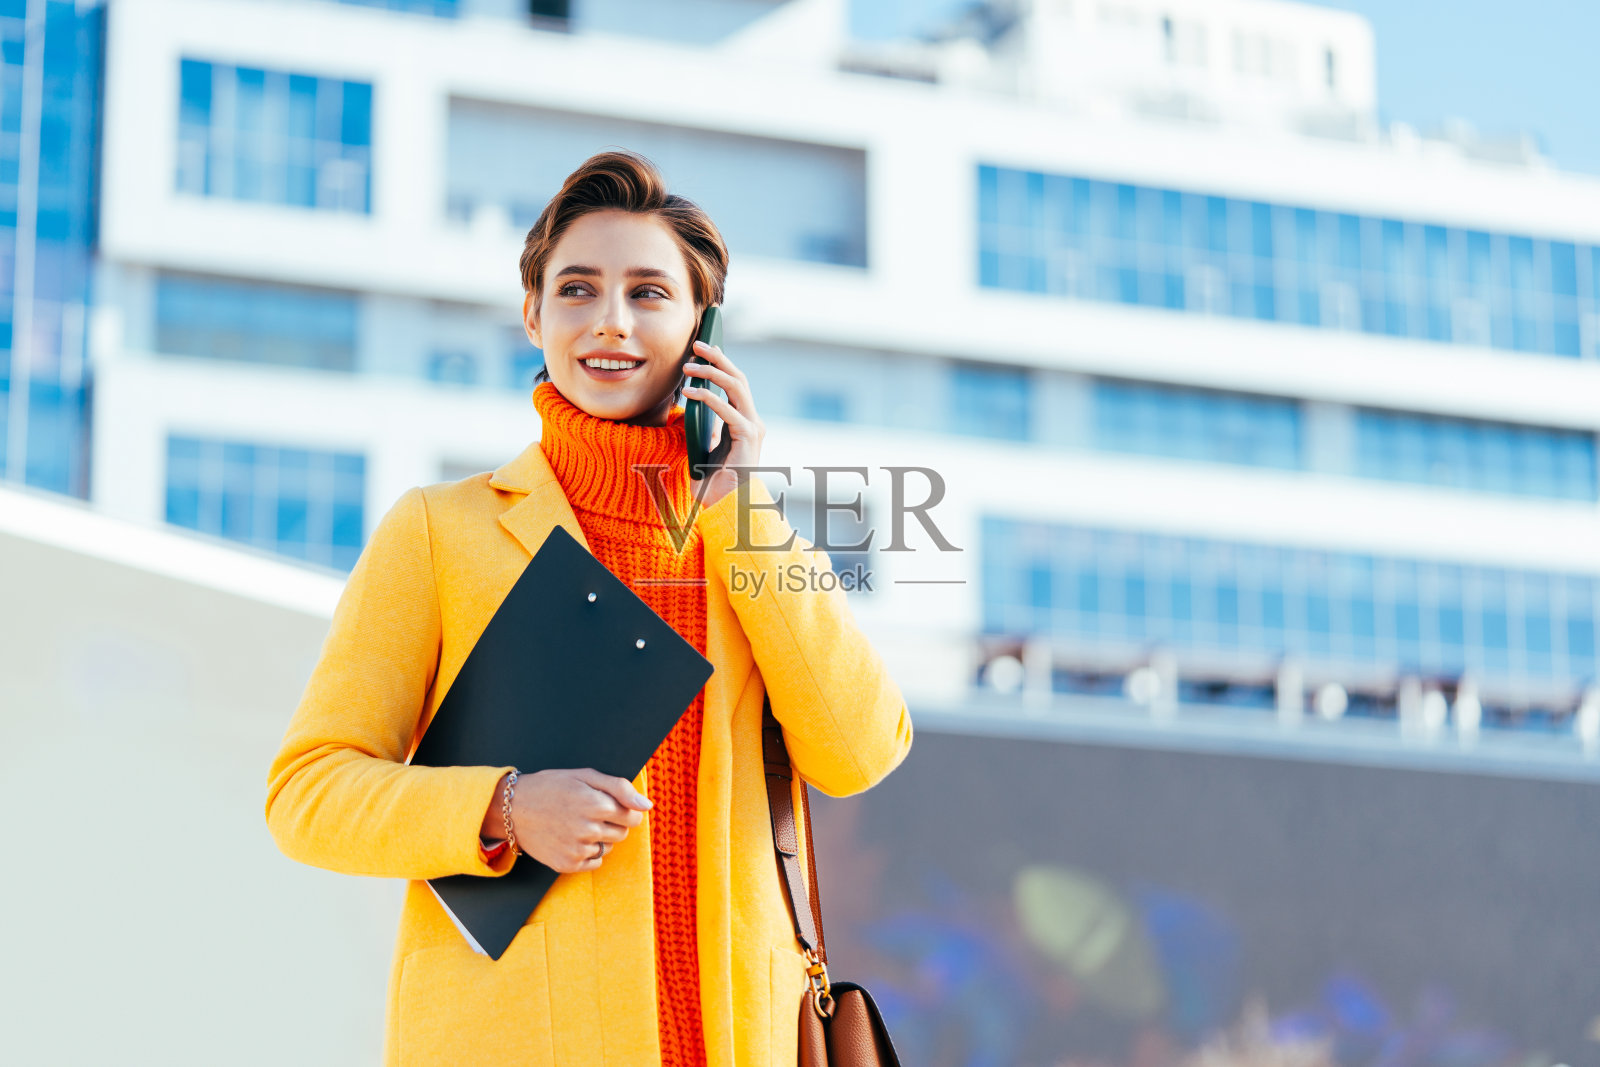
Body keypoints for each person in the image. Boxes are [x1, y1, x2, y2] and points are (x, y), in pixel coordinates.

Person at [264, 149, 913, 1067]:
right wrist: (505, 806)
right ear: (534, 313)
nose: (610, 321)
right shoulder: (441, 533)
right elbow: (308, 793)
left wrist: (741, 509)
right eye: (577, 289)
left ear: (704, 328)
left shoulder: (743, 541)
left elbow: (858, 751)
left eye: (650, 293)